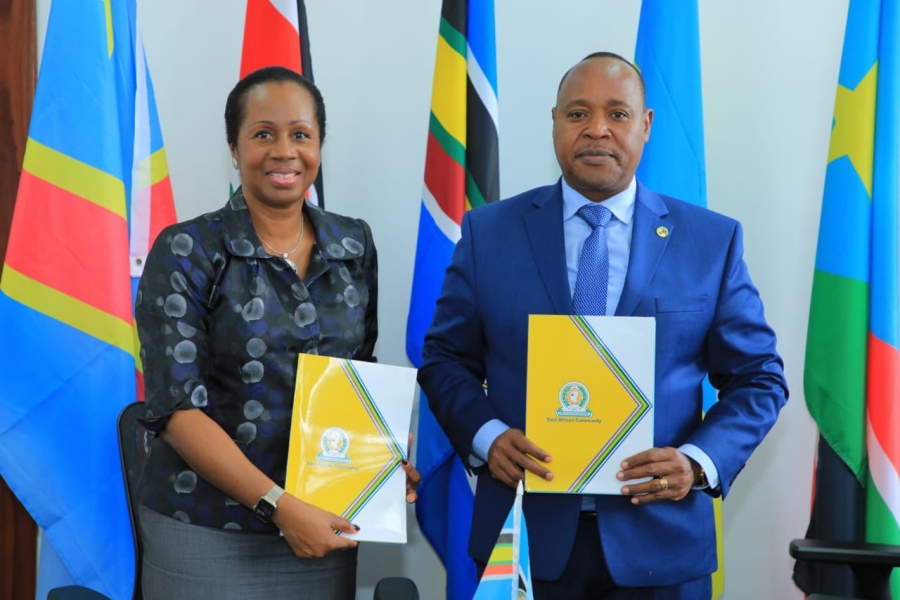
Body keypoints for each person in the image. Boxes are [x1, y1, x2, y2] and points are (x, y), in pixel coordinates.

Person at [417, 51, 788, 599]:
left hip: (662, 544)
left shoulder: (710, 241)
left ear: (646, 125)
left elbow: (760, 377)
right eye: (577, 114)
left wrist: (697, 461)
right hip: (524, 539)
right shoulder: (488, 234)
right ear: (553, 123)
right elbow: (445, 358)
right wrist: (488, 438)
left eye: (617, 113)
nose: (596, 130)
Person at [135, 66, 419, 600]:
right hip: (205, 528)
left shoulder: (353, 244)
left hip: (322, 523)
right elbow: (176, 410)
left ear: (319, 145)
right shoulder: (187, 250)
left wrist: (381, 462)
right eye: (263, 133)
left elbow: (358, 379)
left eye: (301, 135)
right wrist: (280, 507)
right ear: (234, 147)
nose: (284, 151)